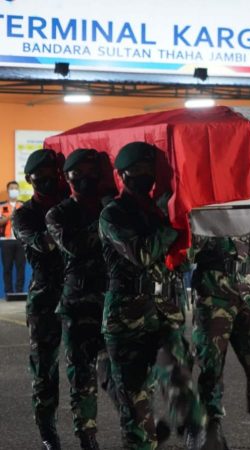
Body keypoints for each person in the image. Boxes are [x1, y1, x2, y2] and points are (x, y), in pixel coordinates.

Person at [98, 142, 205, 449]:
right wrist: (174, 225)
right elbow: (143, 253)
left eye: (149, 169)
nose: (144, 175)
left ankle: (193, 431)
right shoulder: (113, 214)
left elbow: (185, 257)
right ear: (122, 175)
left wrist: (186, 228)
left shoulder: (162, 208)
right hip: (127, 317)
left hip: (166, 310)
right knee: (136, 406)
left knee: (179, 377)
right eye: (137, 170)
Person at [45, 149, 119, 450]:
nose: (87, 179)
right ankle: (87, 440)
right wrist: (107, 215)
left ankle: (136, 427)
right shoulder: (58, 214)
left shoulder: (111, 207)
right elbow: (75, 246)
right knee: (82, 377)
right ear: (68, 177)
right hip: (78, 304)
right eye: (80, 174)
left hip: (111, 301)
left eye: (93, 173)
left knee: (120, 373)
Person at [189, 234, 250, 449]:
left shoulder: (243, 211)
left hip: (246, 288)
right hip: (212, 290)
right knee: (211, 364)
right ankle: (211, 429)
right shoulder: (201, 213)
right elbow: (187, 251)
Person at [12, 149, 67, 449]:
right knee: (44, 369)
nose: (47, 180)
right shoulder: (24, 214)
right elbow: (42, 244)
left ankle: (87, 431)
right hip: (45, 296)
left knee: (90, 365)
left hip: (78, 292)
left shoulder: (71, 203)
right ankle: (48, 433)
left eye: (51, 175)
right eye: (39, 176)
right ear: (29, 179)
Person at [1, 180, 26, 295]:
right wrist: (10, 216)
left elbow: (28, 222)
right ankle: (9, 292)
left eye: (16, 188)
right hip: (6, 241)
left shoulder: (23, 206)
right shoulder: (2, 206)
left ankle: (19, 292)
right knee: (7, 268)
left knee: (21, 267)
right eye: (12, 189)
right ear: (8, 191)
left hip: (20, 240)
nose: (14, 191)